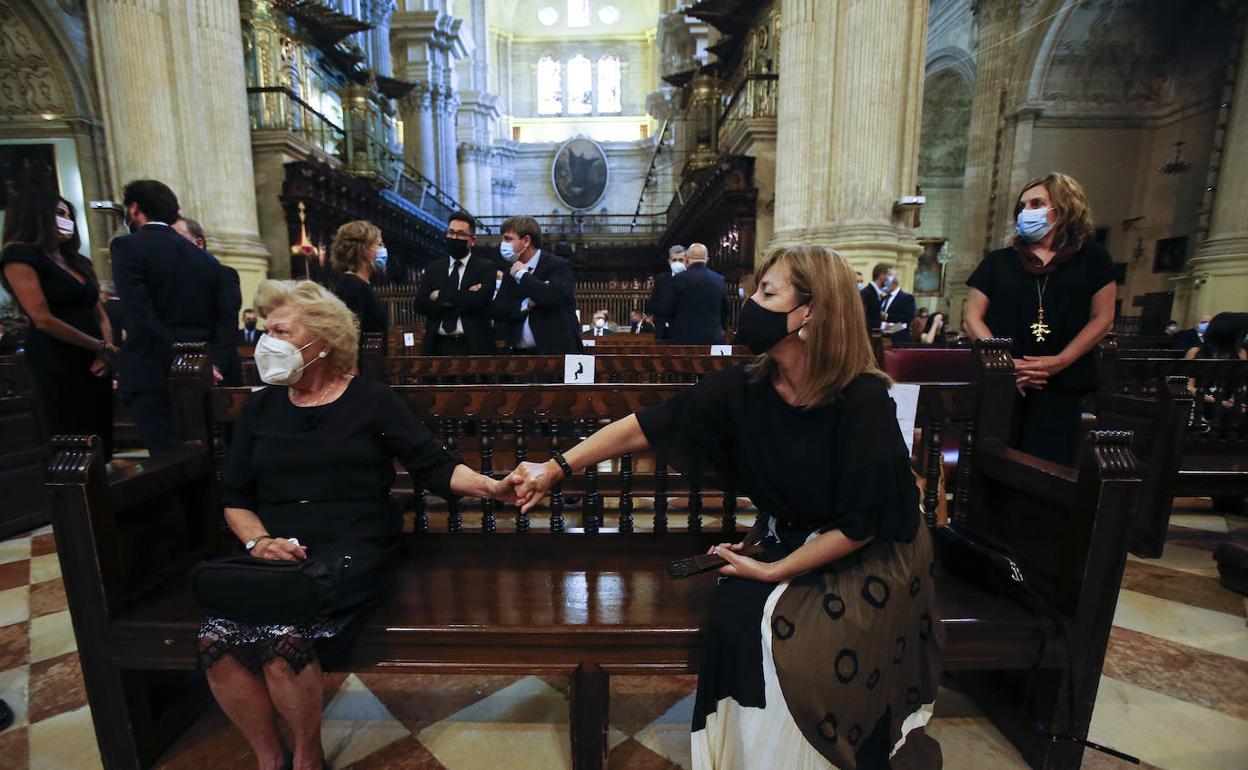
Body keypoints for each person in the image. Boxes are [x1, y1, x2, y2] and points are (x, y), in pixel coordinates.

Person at [506, 245, 941, 770]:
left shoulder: (862, 399)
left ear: (812, 313)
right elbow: (649, 425)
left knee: (797, 651)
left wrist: (773, 567)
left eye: (767, 293)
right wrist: (556, 468)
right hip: (802, 538)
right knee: (734, 611)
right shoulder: (750, 386)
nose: (749, 302)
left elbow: (864, 522)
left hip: (875, 554)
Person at [199, 279, 520, 770]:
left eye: (281, 331)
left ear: (321, 341)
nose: (267, 342)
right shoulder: (261, 407)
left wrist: (492, 488)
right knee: (217, 639)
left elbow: (433, 465)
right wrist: (260, 540)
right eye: (266, 330)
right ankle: (268, 758)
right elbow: (235, 497)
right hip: (273, 554)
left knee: (281, 637)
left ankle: (306, 755)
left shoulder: (371, 400)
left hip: (353, 545)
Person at [964, 172, 1116, 465]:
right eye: (1022, 207)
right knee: (995, 461)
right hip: (1004, 380)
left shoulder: (1093, 259)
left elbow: (1103, 318)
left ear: (1062, 208)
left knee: (1052, 464)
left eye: (1036, 204)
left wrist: (1060, 360)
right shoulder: (998, 261)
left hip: (1063, 380)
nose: (1026, 212)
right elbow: (972, 317)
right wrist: (1004, 364)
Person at [111, 179, 229, 455]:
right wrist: (209, 364)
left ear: (134, 208)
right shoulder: (205, 259)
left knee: (166, 458)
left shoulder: (128, 247)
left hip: (153, 368)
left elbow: (139, 313)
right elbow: (220, 320)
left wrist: (175, 356)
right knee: (201, 454)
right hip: (199, 369)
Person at [1, 187, 116, 458]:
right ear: (36, 216)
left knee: (99, 429)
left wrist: (106, 348)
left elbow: (99, 312)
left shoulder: (77, 261)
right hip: (57, 356)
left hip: (96, 359)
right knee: (70, 431)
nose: (66, 220)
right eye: (58, 213)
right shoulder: (19, 256)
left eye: (68, 214)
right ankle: (77, 494)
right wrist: (98, 346)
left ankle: (105, 484)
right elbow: (42, 319)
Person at [490, 216, 582, 354]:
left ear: (526, 241)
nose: (502, 244)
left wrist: (522, 275)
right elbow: (499, 311)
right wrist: (527, 304)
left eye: (508, 239)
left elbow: (551, 296)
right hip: (518, 355)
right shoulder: (510, 273)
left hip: (555, 355)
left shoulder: (558, 266)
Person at [175, 216, 244, 386]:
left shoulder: (224, 275)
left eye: (177, 237)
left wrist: (215, 365)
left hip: (217, 371)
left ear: (198, 243)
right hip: (178, 368)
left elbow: (226, 324)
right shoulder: (168, 280)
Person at [416, 212, 496, 356]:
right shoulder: (434, 268)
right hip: (437, 345)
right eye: (451, 233)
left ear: (472, 240)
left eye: (460, 234)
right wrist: (464, 297)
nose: (454, 238)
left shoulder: (485, 268)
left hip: (473, 346)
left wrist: (440, 295)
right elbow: (420, 305)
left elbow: (479, 301)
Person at [652, 243, 728, 345]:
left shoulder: (678, 279)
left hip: (684, 339)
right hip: (713, 338)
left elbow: (667, 310)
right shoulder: (719, 280)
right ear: (707, 259)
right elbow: (725, 311)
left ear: (687, 259)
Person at [330, 220, 389, 345]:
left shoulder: (361, 283)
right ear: (364, 250)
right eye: (379, 244)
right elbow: (350, 335)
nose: (383, 249)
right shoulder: (352, 285)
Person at [647, 244, 686, 340]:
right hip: (664, 332)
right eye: (674, 260)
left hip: (686, 331)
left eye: (681, 260)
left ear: (686, 260)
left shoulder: (692, 278)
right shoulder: (661, 279)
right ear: (669, 261)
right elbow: (651, 304)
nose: (677, 263)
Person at [881, 274, 917, 343]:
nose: (883, 285)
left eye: (885, 282)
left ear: (894, 283)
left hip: (899, 339)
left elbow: (907, 321)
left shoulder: (907, 298)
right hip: (881, 338)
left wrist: (886, 316)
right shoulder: (883, 298)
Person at [860, 263, 893, 334]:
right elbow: (862, 319)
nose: (892, 279)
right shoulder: (866, 293)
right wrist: (888, 327)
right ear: (881, 276)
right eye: (890, 276)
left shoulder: (878, 294)